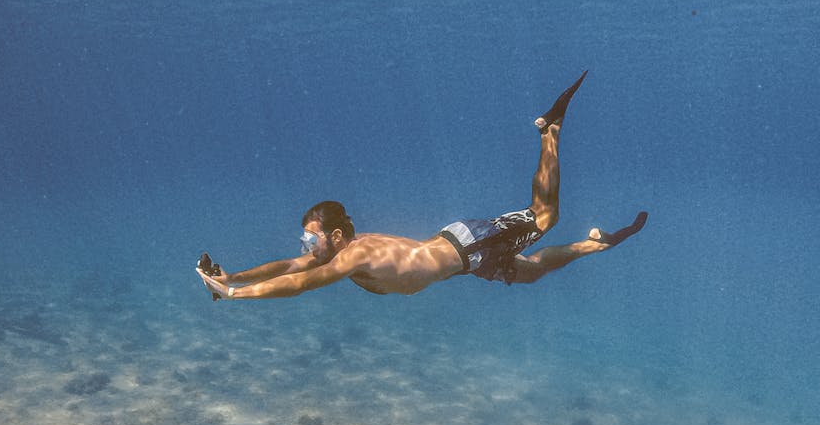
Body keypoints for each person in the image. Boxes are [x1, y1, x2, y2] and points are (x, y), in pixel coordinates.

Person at [196, 71, 647, 301]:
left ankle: (551, 129)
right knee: (528, 273)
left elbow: (303, 283)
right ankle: (597, 245)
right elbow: (289, 267)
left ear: (334, 236)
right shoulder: (342, 251)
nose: (304, 245)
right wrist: (230, 276)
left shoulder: (353, 256)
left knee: (546, 215)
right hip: (465, 258)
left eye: (309, 237)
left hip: (471, 246)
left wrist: (236, 296)